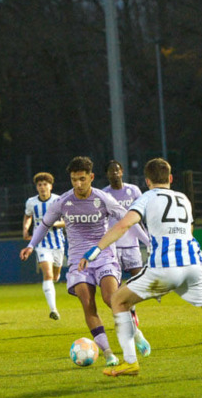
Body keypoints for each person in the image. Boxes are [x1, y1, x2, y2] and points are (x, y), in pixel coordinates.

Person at [80, 158, 202, 376]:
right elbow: (189, 229)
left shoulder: (147, 197)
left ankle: (130, 362)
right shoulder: (183, 198)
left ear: (147, 181)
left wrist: (96, 250)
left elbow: (124, 224)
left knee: (118, 300)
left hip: (165, 266)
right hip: (194, 265)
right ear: (171, 178)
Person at [20, 156, 151, 366]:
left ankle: (136, 333)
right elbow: (44, 225)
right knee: (88, 304)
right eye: (74, 180)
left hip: (104, 257)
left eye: (82, 179)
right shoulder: (62, 201)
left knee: (111, 299)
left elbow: (128, 221)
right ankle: (108, 354)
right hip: (78, 262)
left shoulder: (103, 199)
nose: (78, 184)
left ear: (91, 177)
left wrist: (148, 242)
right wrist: (31, 245)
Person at [102, 159, 150, 350]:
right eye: (111, 171)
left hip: (132, 245)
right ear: (107, 174)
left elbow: (140, 217)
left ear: (122, 172)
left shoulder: (133, 191)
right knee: (116, 286)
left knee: (138, 280)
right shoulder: (104, 194)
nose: (114, 173)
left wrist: (147, 239)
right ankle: (128, 313)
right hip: (113, 247)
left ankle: (132, 308)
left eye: (117, 170)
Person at [22, 172, 66, 320]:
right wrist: (25, 228)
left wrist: (55, 223)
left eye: (45, 184)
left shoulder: (58, 200)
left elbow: (67, 220)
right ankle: (53, 310)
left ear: (50, 186)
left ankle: (54, 280)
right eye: (39, 185)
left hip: (58, 243)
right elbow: (28, 215)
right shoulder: (31, 202)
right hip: (41, 243)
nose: (42, 187)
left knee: (55, 276)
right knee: (47, 274)